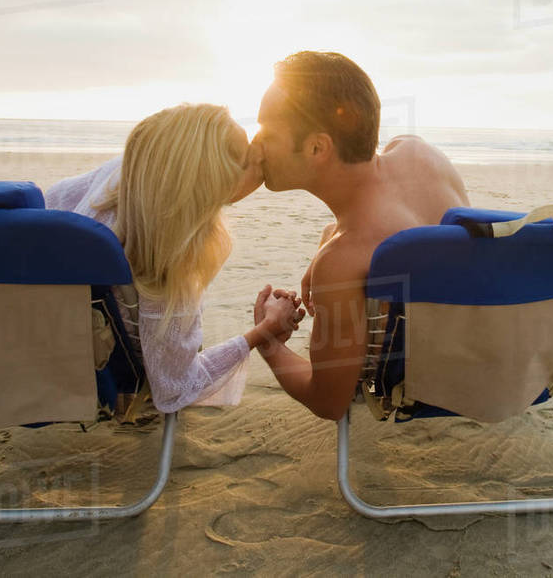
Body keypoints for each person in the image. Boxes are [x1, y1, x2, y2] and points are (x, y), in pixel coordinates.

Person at [249, 52, 470, 420]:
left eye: (267, 132)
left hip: (423, 382)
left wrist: (268, 341)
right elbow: (400, 220)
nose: (255, 143)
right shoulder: (420, 153)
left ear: (317, 148)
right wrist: (330, 236)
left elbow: (328, 401)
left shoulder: (344, 261)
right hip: (479, 353)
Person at [45, 103, 304, 413]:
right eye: (251, 160)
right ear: (213, 184)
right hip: (102, 373)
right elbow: (176, 387)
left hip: (35, 347)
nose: (260, 154)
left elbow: (48, 206)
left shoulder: (121, 177)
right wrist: (263, 330)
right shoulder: (164, 274)